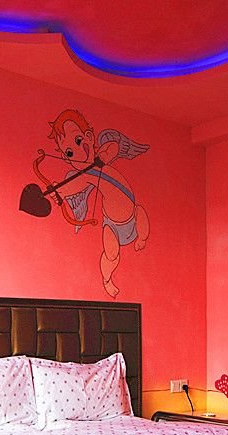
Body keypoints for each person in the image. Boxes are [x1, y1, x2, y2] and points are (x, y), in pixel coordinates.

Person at [47, 109, 150, 298]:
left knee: (142, 217)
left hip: (133, 215)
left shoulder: (104, 153)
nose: (78, 151)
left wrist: (103, 156)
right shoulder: (86, 176)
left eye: (79, 140)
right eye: (69, 152)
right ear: (66, 158)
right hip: (113, 225)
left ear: (89, 136)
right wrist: (58, 190)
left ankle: (142, 239)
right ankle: (107, 280)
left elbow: (114, 147)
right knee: (111, 254)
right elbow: (73, 186)